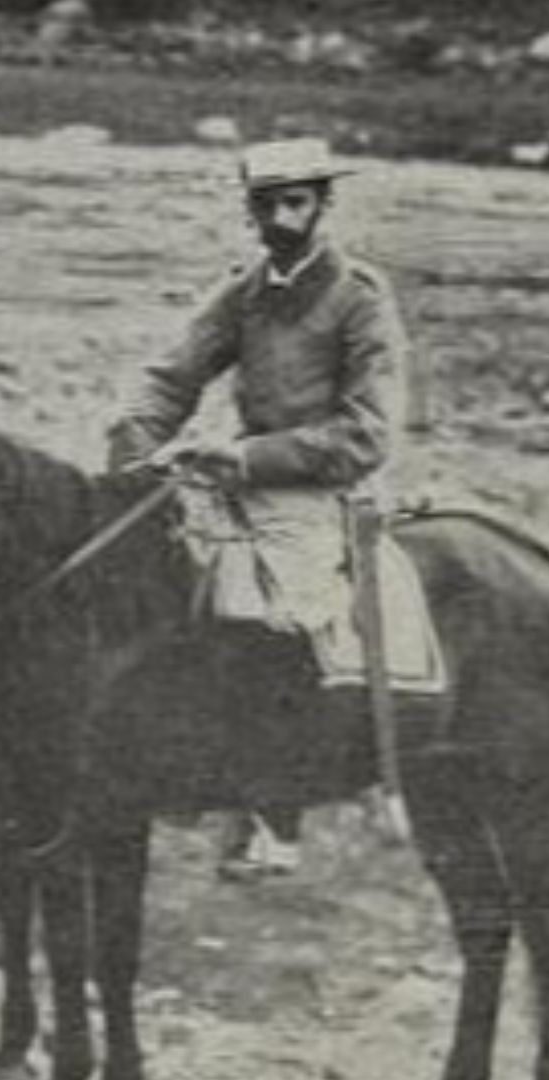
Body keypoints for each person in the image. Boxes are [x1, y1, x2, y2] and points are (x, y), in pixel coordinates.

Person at [105, 137, 410, 881]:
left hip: (316, 483)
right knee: (141, 563)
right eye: (265, 204)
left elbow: (368, 432)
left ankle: (277, 807)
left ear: (323, 204)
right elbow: (170, 377)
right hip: (235, 475)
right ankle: (162, 758)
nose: (280, 218)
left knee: (275, 610)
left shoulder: (358, 298)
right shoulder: (245, 290)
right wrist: (135, 453)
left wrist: (247, 458)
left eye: (295, 202)